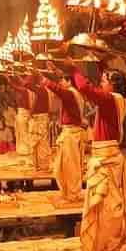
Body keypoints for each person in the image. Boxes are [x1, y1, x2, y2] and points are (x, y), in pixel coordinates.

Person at [61, 60, 126, 251]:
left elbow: (83, 87)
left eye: (104, 81)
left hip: (107, 159)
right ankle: (102, 245)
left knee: (108, 207)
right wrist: (100, 60)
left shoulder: (110, 99)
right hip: (104, 155)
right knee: (102, 205)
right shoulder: (116, 98)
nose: (101, 84)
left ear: (112, 84)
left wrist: (73, 67)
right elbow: (96, 84)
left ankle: (109, 246)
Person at [42, 65, 86, 203]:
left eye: (63, 80)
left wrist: (42, 78)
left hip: (72, 134)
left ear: (69, 82)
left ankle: (73, 194)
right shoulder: (73, 93)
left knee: (70, 167)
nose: (61, 82)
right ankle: (69, 193)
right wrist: (55, 70)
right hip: (69, 133)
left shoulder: (71, 93)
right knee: (61, 167)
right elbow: (60, 87)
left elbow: (57, 89)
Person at [23, 74, 52, 172]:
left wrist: (31, 73)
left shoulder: (43, 91)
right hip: (39, 119)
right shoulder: (43, 91)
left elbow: (26, 84)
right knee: (37, 144)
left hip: (40, 121)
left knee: (40, 144)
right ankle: (38, 165)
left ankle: (42, 166)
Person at [6, 77, 33, 157]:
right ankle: (25, 149)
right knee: (22, 132)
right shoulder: (29, 91)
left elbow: (14, 86)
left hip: (23, 113)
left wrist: (8, 79)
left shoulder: (25, 90)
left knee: (23, 132)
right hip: (24, 113)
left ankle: (25, 150)